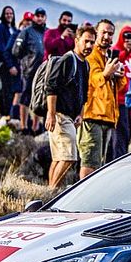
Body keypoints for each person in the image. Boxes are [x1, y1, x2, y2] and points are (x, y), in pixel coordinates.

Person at [45, 25, 94, 189]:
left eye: (92, 43)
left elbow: (84, 92)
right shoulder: (67, 59)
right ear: (77, 40)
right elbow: (51, 86)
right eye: (86, 41)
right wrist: (51, 114)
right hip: (60, 115)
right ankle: (52, 191)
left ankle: (48, 192)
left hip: (71, 117)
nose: (89, 46)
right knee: (69, 157)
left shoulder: (86, 65)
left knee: (59, 157)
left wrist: (81, 113)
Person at [79, 19, 126, 177]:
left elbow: (116, 88)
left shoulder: (108, 57)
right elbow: (93, 80)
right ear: (96, 33)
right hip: (93, 115)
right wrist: (107, 73)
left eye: (110, 33)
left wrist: (118, 75)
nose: (107, 36)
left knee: (99, 163)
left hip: (107, 116)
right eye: (103, 32)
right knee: (90, 161)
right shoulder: (91, 55)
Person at [11, 7, 47, 132]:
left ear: (45, 18)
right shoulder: (26, 32)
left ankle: (36, 126)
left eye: (42, 16)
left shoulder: (47, 32)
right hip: (29, 71)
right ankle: (23, 126)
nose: (40, 18)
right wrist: (25, 60)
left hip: (44, 72)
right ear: (34, 17)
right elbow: (16, 50)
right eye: (38, 15)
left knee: (40, 99)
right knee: (26, 98)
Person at [111, 25, 131, 158]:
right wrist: (125, 52)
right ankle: (116, 161)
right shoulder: (116, 52)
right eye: (126, 37)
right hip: (120, 100)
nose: (129, 40)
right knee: (121, 135)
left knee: (130, 134)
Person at [0, 5, 20, 120]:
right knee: (5, 88)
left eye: (11, 13)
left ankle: (9, 112)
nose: (9, 15)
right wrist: (9, 64)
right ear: (3, 15)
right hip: (3, 63)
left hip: (12, 63)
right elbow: (0, 46)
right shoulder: (0, 28)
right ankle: (3, 113)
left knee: (12, 89)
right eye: (7, 13)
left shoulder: (14, 29)